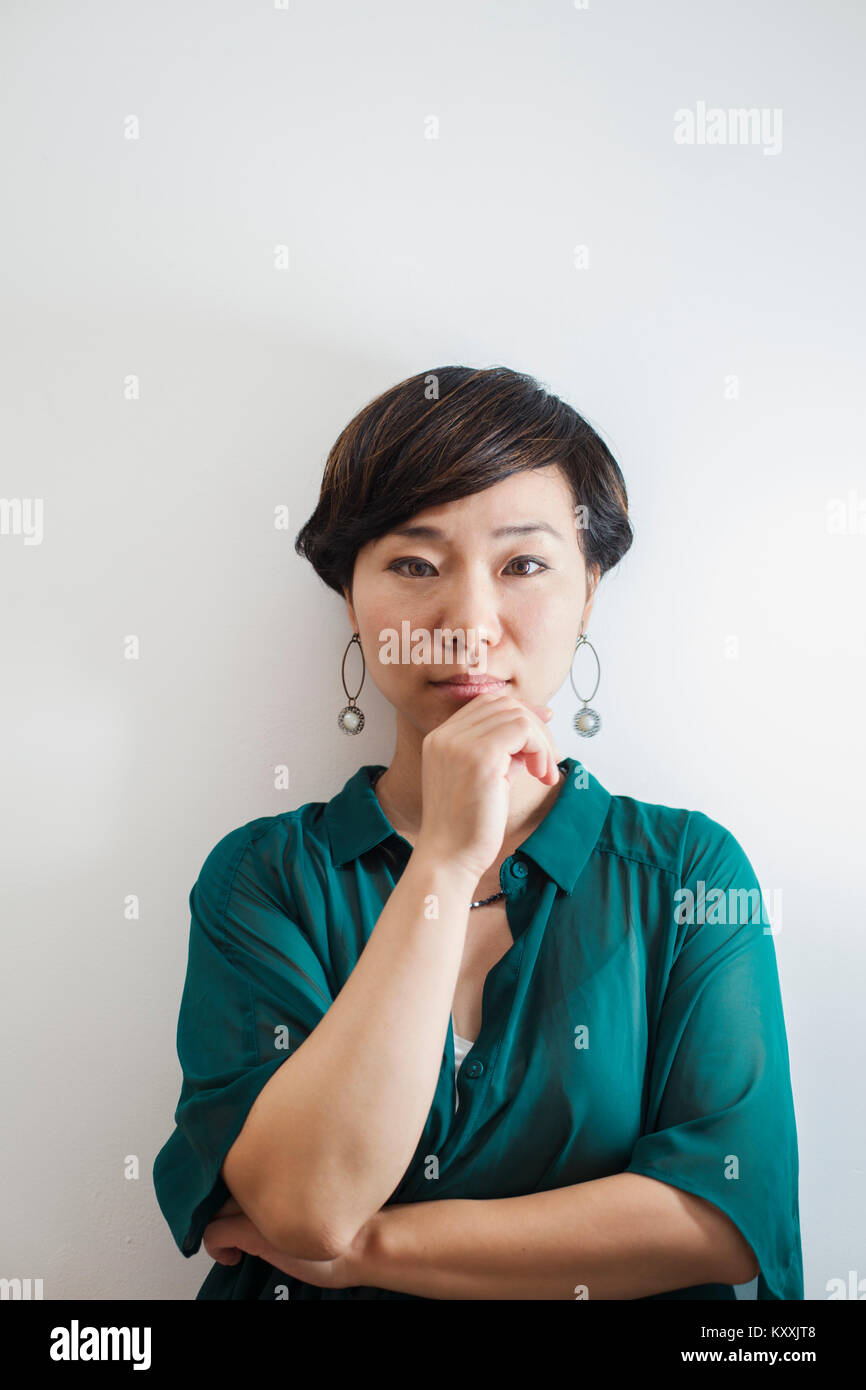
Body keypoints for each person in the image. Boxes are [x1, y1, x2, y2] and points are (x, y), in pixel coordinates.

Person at [152, 364, 804, 1300]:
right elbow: (305, 1206)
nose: (466, 624)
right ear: (350, 599)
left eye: (523, 565)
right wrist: (446, 860)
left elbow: (722, 1218)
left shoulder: (687, 868)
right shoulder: (262, 876)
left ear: (590, 595)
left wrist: (372, 1254)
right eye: (414, 565)